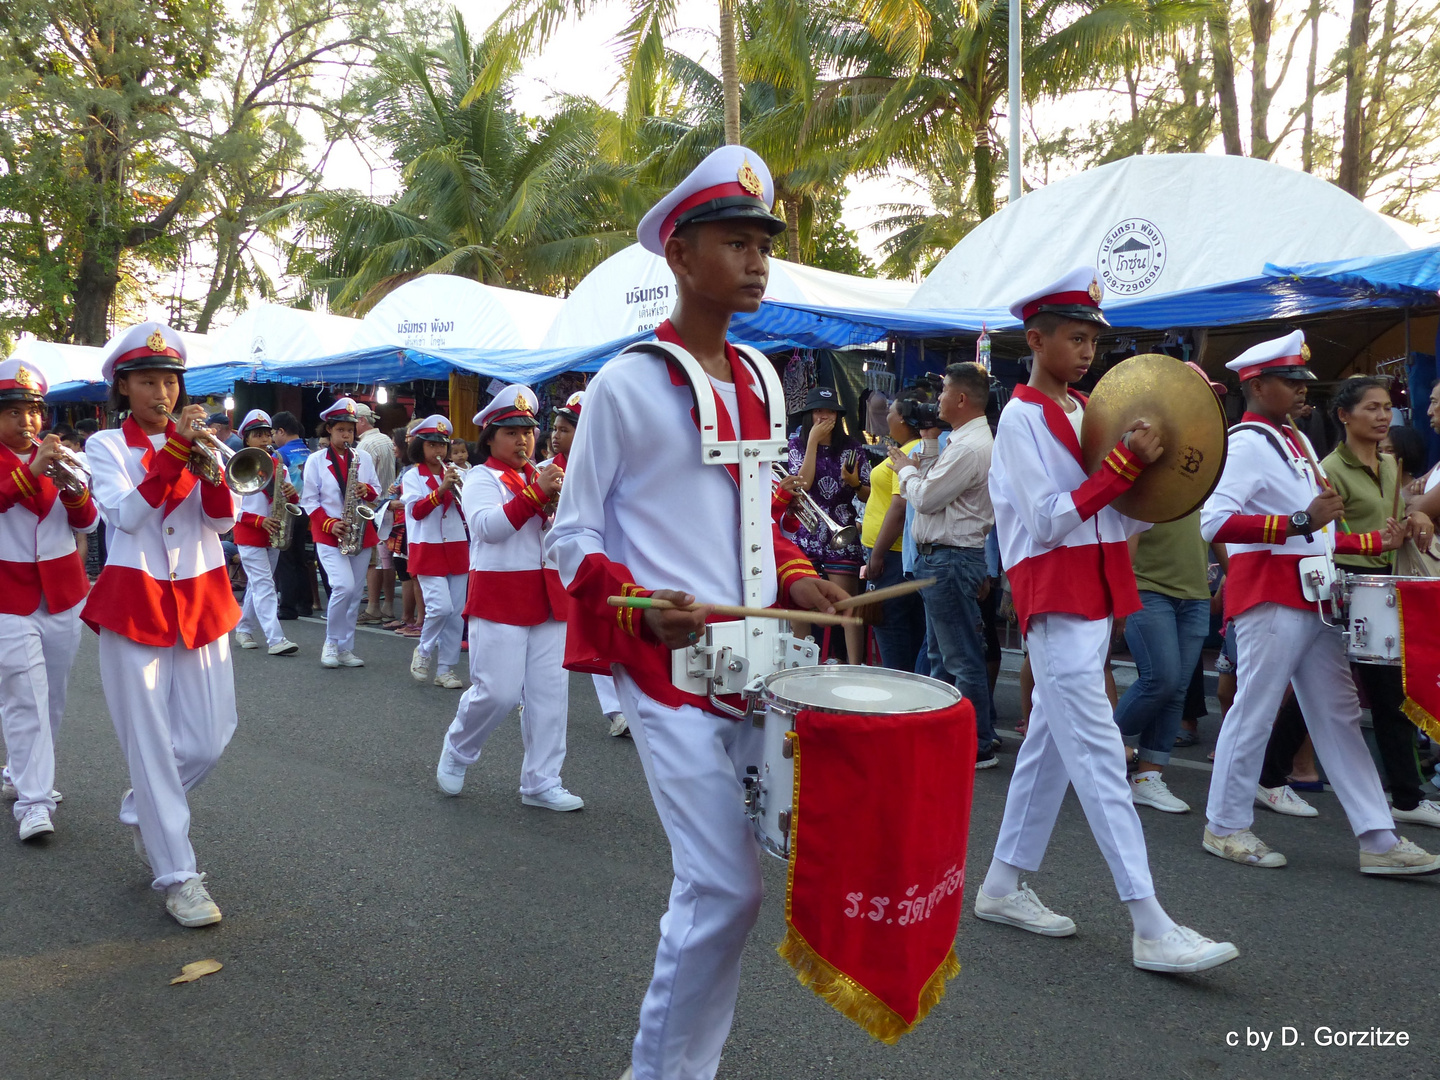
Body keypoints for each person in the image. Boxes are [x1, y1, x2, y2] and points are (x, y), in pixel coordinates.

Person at [547, 145, 848, 1080]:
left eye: (764, 243)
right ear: (680, 256)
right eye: (736, 241)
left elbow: (759, 517)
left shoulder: (763, 377)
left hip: (760, 665)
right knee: (722, 887)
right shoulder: (625, 384)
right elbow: (572, 537)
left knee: (740, 890)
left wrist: (798, 580)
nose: (757, 259)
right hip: (667, 670)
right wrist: (636, 606)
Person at [976, 269, 1238, 974]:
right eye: (1075, 336)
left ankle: (1000, 886)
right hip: (1055, 598)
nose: (1088, 349)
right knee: (1096, 756)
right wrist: (1127, 463)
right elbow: (1047, 519)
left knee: (1048, 751)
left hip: (1093, 596)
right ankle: (1149, 923)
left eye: (1094, 337)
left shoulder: (1089, 408)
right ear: (1036, 340)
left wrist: (1171, 462)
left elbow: (1118, 518)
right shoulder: (1022, 417)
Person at [1198, 331, 1440, 875]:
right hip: (1271, 595)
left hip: (1316, 594)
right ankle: (1225, 825)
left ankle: (1378, 838)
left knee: (1338, 715)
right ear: (1257, 386)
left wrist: (1367, 540)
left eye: (1303, 382)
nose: (1302, 391)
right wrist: (1300, 520)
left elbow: (1320, 533)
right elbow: (1212, 520)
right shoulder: (1245, 442)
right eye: (1290, 381)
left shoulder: (1297, 442)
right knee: (1255, 710)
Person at [83, 322, 239, 927]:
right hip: (134, 603)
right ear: (123, 387)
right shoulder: (105, 447)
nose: (163, 393)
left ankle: (143, 805)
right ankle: (178, 876)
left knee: (209, 738)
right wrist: (175, 453)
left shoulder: (198, 445)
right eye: (147, 381)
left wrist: (216, 472)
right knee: (149, 745)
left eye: (170, 381)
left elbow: (223, 524)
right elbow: (123, 515)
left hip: (201, 599)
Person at [435, 386, 582, 809]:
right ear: (490, 438)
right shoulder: (481, 477)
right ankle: (459, 749)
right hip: (500, 596)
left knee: (550, 696)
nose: (523, 439)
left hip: (549, 597)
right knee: (496, 692)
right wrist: (537, 495)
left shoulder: (541, 474)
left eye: (529, 431)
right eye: (512, 431)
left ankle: (541, 781)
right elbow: (486, 528)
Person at [1321, 376, 1439, 827]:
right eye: (1371, 408)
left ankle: (1272, 773)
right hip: (1349, 583)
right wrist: (1372, 541)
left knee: (1348, 688)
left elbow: (1398, 521)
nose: (1383, 416)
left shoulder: (1390, 466)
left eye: (1387, 407)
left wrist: (1416, 520)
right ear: (1344, 416)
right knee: (1380, 692)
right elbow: (1322, 539)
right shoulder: (1328, 468)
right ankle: (1407, 797)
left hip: (1387, 584)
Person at [1113, 363, 1228, 814]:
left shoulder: (1205, 460)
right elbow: (1129, 530)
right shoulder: (1143, 453)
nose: (1211, 404)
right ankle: (1100, 753)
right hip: (1149, 587)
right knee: (1159, 679)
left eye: (1215, 396)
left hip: (1193, 591)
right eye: (1202, 394)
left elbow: (1212, 521)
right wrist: (1120, 594)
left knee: (1177, 687)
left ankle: (1149, 774)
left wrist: (1227, 569)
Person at [0, 359, 97, 840]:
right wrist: (30, 475)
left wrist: (74, 490)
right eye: (13, 412)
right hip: (7, 594)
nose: (26, 422)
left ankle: (20, 769)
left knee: (52, 697)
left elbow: (88, 525)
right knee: (25, 696)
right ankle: (34, 802)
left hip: (63, 592)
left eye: (33, 411)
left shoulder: (63, 456)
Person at [890, 362, 998, 766]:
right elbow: (937, 486)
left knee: (961, 657)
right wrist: (929, 445)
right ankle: (944, 732)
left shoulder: (970, 446)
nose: (936, 400)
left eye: (942, 392)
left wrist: (904, 471)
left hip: (950, 559)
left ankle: (978, 742)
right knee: (942, 655)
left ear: (961, 399)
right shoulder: (964, 440)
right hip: (947, 559)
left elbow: (926, 498)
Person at [787, 385, 870, 662]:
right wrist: (811, 443)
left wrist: (855, 483)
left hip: (842, 532)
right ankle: (799, 664)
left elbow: (867, 493)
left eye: (830, 411)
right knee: (802, 605)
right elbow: (803, 484)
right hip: (806, 533)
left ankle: (854, 667)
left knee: (848, 606)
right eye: (818, 411)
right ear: (808, 415)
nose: (824, 416)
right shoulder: (796, 445)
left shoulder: (852, 448)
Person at [301, 398, 381, 669]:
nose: (346, 435)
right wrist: (329, 524)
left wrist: (365, 491)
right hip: (330, 531)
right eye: (340, 430)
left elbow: (376, 490)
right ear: (329, 430)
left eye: (350, 430)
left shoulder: (363, 457)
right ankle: (331, 642)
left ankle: (347, 648)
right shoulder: (316, 460)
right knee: (343, 587)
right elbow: (309, 500)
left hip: (359, 531)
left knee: (355, 592)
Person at [862, 391, 927, 672]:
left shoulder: (909, 452)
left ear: (901, 417)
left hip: (891, 555)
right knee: (905, 628)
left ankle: (897, 687)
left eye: (890, 409)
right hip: (894, 553)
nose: (886, 414)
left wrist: (876, 555)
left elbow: (898, 509)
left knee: (891, 627)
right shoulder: (910, 448)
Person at [403, 414, 468, 688]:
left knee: (456, 613)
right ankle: (425, 649)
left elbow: (470, 511)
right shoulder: (412, 476)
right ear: (421, 446)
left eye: (442, 445)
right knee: (440, 608)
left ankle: (446, 669)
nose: (438, 451)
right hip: (427, 547)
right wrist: (441, 490)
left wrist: (462, 492)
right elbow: (416, 512)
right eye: (431, 445)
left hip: (456, 546)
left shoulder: (459, 473)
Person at [231, 410, 300, 657]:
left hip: (273, 530)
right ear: (246, 439)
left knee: (259, 584)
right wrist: (260, 521)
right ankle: (276, 638)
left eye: (266, 434)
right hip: (250, 533)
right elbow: (233, 510)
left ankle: (243, 628)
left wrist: (291, 492)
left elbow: (293, 499)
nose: (264, 440)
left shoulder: (276, 463)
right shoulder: (236, 463)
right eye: (257, 435)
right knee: (264, 585)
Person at [356, 403, 398, 627]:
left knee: (374, 561)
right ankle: (388, 605)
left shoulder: (366, 445)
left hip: (373, 506)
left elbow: (364, 480)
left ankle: (373, 606)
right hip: (388, 504)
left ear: (361, 421)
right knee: (387, 559)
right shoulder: (384, 440)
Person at [271, 411, 315, 620]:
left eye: (272, 432)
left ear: (281, 431)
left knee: (285, 558)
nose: (272, 438)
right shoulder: (310, 452)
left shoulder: (279, 454)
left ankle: (288, 606)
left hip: (288, 510)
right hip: (307, 510)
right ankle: (305, 603)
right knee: (301, 558)